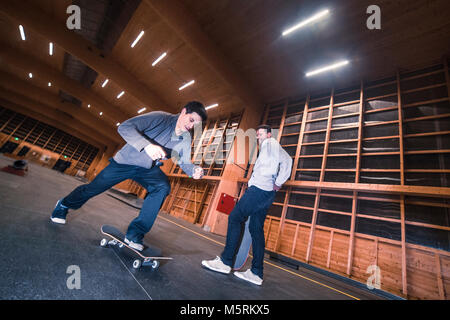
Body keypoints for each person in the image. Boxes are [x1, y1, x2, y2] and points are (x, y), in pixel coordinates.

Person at [50, 101, 207, 251]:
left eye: (196, 125)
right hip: (125, 162)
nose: (191, 126)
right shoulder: (160, 118)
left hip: (147, 168)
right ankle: (64, 205)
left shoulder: (186, 139)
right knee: (93, 188)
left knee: (162, 187)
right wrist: (147, 146)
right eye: (191, 120)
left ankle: (134, 234)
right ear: (184, 111)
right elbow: (125, 127)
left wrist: (193, 170)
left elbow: (183, 160)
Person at [201, 124, 292, 285]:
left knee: (235, 217)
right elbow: (287, 160)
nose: (258, 137)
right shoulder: (271, 147)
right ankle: (257, 272)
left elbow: (282, 163)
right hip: (267, 193)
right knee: (256, 228)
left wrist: (277, 181)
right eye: (257, 134)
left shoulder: (269, 143)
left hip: (259, 190)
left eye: (261, 134)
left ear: (269, 134)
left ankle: (225, 261)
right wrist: (277, 183)